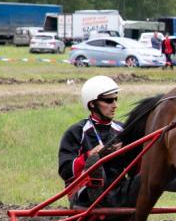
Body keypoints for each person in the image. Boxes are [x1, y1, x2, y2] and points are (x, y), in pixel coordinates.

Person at [58, 76, 139, 208]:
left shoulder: (122, 130)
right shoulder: (76, 132)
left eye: (116, 99)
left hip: (118, 192)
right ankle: (101, 199)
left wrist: (128, 152)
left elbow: (134, 167)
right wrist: (92, 155)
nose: (115, 105)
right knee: (96, 168)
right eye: (109, 100)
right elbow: (66, 171)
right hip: (85, 196)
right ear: (92, 104)